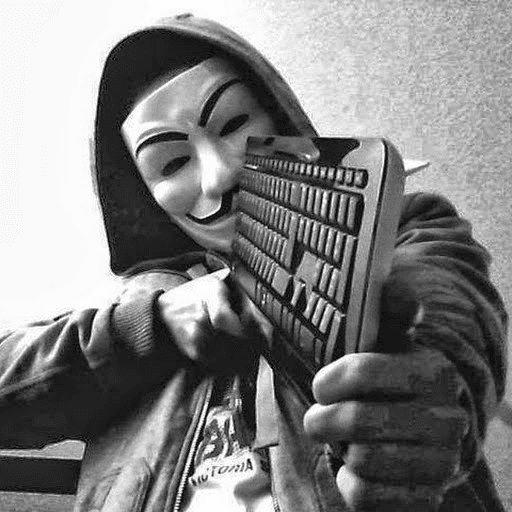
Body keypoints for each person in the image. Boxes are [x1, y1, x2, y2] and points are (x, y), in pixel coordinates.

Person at [0, 13, 507, 512]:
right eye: (172, 162)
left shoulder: (398, 228)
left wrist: (421, 394)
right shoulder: (132, 303)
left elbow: (448, 309)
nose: (220, 175)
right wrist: (151, 325)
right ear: (148, 197)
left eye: (234, 124)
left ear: (278, 118)